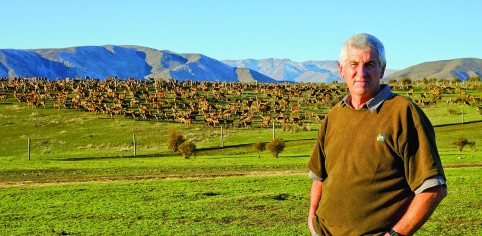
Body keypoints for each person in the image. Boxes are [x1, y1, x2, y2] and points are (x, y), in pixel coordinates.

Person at [307, 33, 447, 236]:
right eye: (353, 64)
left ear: (382, 69)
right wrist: (313, 218)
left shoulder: (403, 113)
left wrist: (395, 234)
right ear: (341, 69)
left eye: (370, 64)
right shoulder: (335, 115)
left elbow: (433, 188)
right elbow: (320, 176)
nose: (361, 72)